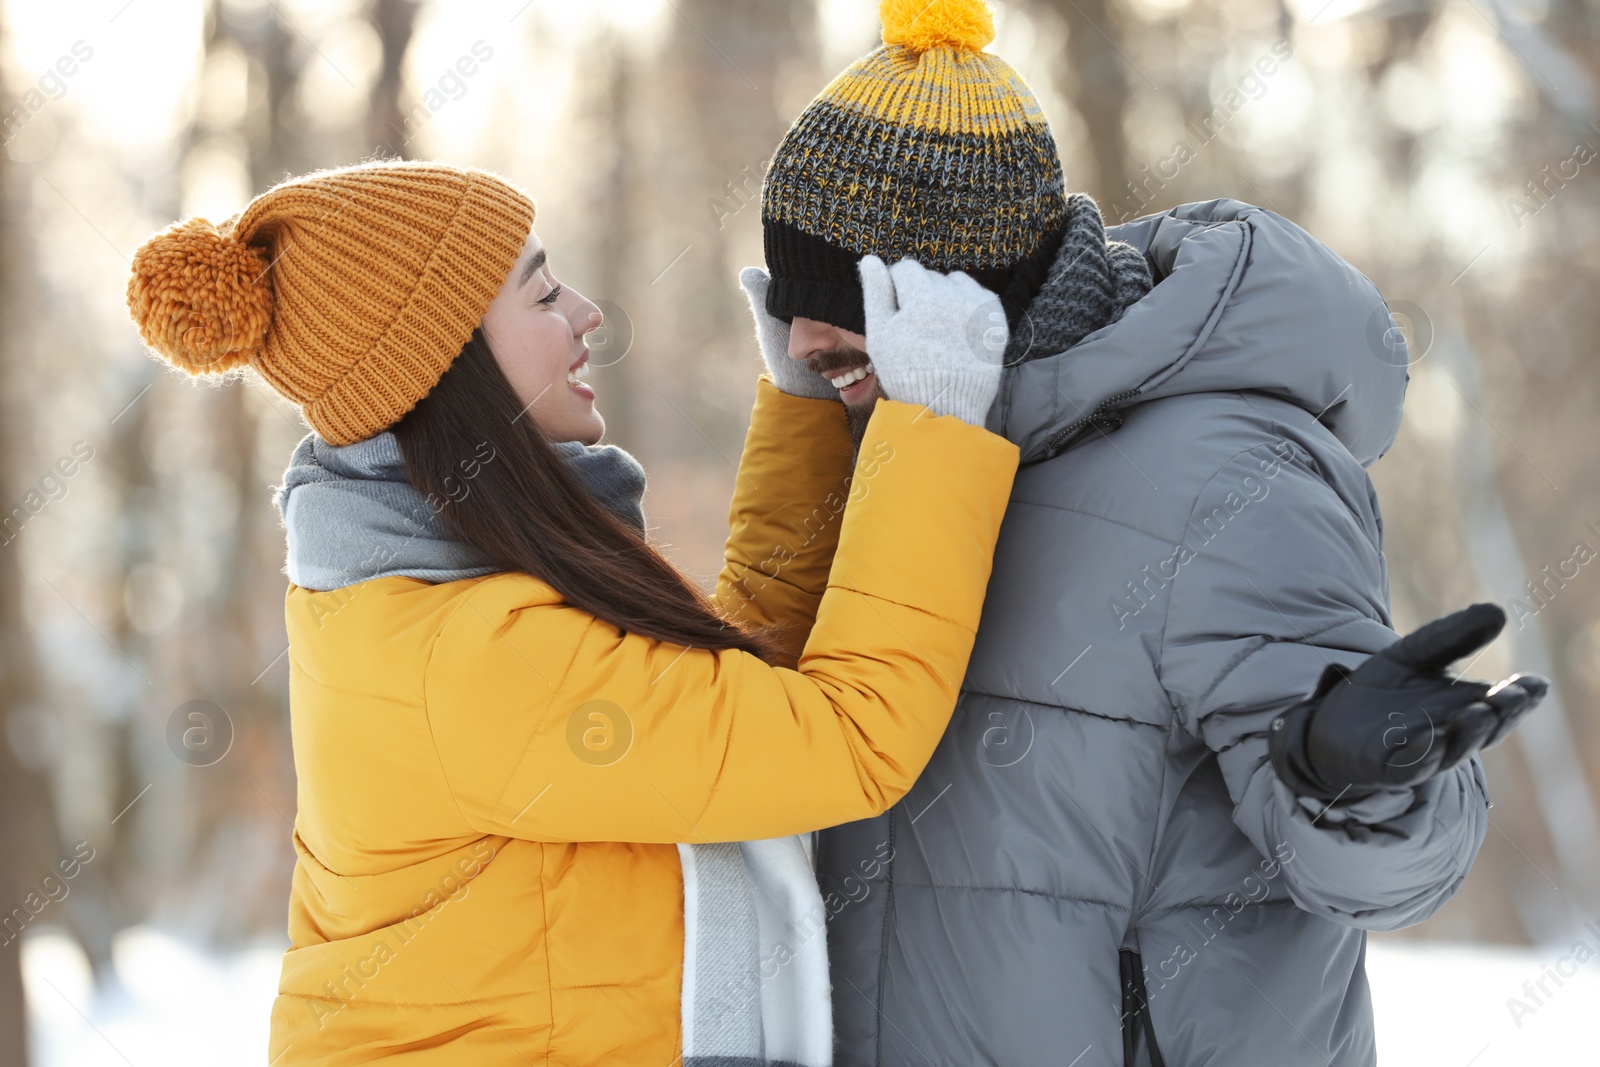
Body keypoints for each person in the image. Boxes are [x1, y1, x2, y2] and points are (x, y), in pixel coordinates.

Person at [753, 1, 1549, 1064]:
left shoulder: (1227, 477)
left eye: (834, 302)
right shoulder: (885, 454)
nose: (796, 341)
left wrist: (1352, 775)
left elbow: (1398, 871)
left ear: (959, 291)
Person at [123, 159, 1022, 1065]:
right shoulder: (471, 659)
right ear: (447, 364)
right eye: (544, 293)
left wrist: (805, 416)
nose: (588, 312)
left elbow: (720, 706)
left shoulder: (422, 595)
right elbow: (845, 736)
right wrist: (937, 425)